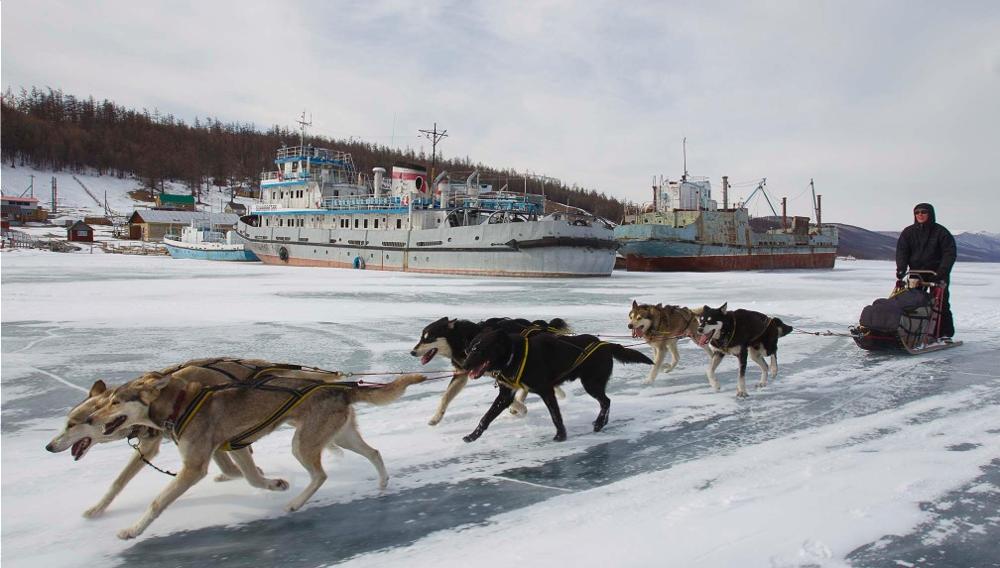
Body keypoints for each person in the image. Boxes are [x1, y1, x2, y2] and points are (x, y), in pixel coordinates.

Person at [895, 203, 957, 339]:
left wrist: (942, 272)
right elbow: (902, 252)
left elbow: (949, 253)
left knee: (941, 302)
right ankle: (913, 331)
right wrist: (901, 269)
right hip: (916, 273)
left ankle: (944, 333)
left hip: (937, 273)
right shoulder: (909, 232)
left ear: (930, 214)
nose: (920, 215)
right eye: (917, 212)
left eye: (923, 212)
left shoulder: (941, 232)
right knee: (912, 302)